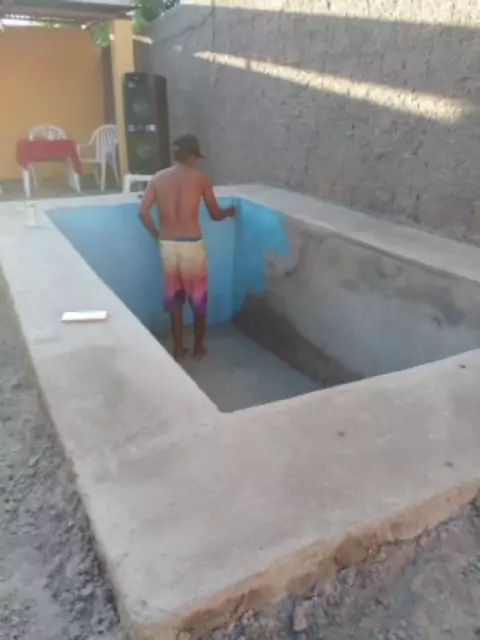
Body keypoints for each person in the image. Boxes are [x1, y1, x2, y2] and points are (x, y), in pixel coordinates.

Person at [139, 134, 235, 360]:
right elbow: (215, 214)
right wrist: (229, 212)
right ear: (192, 156)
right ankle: (199, 347)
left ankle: (178, 347)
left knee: (175, 300)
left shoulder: (158, 178)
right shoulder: (201, 179)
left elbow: (142, 212)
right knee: (198, 298)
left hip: (168, 244)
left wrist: (156, 234)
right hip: (192, 244)